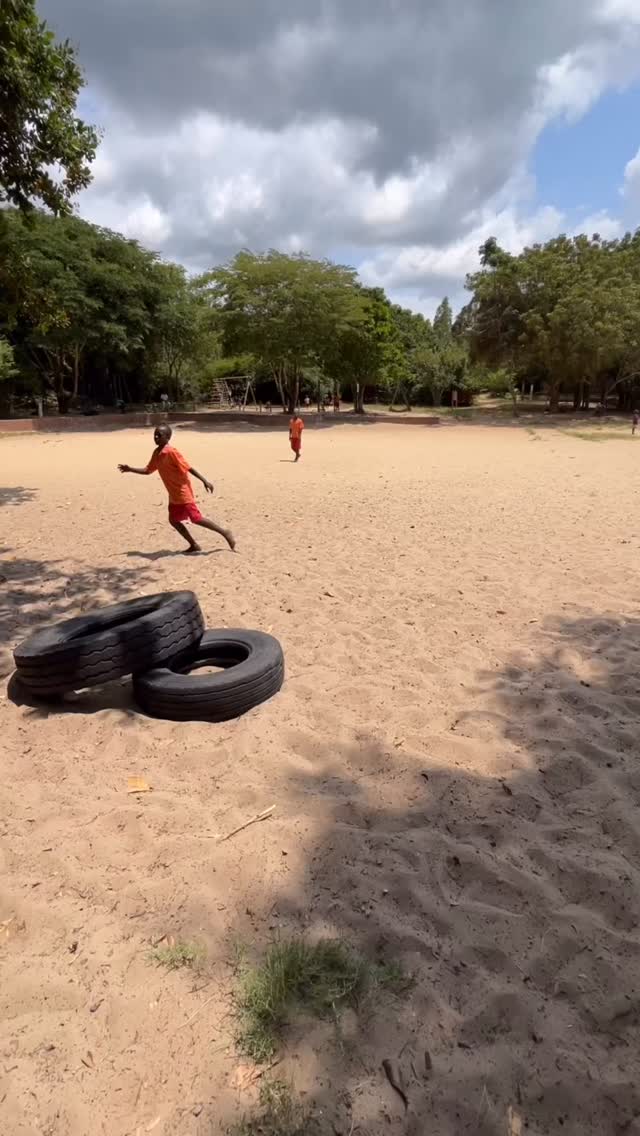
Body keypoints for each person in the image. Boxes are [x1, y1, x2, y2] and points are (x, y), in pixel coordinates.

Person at [118, 424, 235, 554]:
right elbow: (148, 470)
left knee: (196, 518)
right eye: (155, 435)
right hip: (173, 495)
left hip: (182, 492)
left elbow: (188, 467)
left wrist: (204, 480)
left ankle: (225, 532)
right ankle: (194, 545)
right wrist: (130, 469)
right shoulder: (157, 453)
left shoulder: (172, 452)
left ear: (168, 437)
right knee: (173, 520)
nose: (156, 437)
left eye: (159, 435)